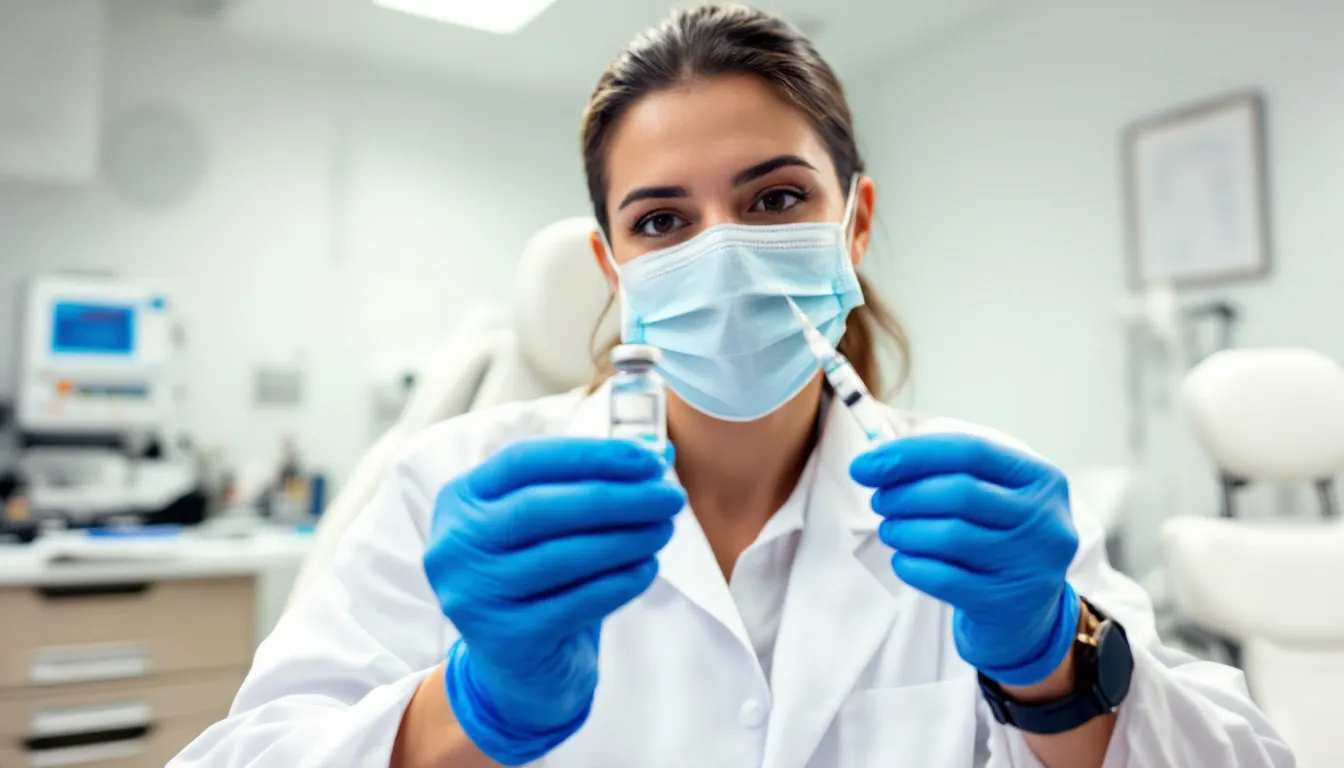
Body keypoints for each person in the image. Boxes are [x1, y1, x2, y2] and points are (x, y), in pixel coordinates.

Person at [171, 6, 1290, 767]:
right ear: (614, 265)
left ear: (851, 226)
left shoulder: (979, 511)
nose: (723, 250)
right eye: (662, 220)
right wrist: (467, 707)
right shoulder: (452, 486)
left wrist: (1058, 665)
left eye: (773, 200)